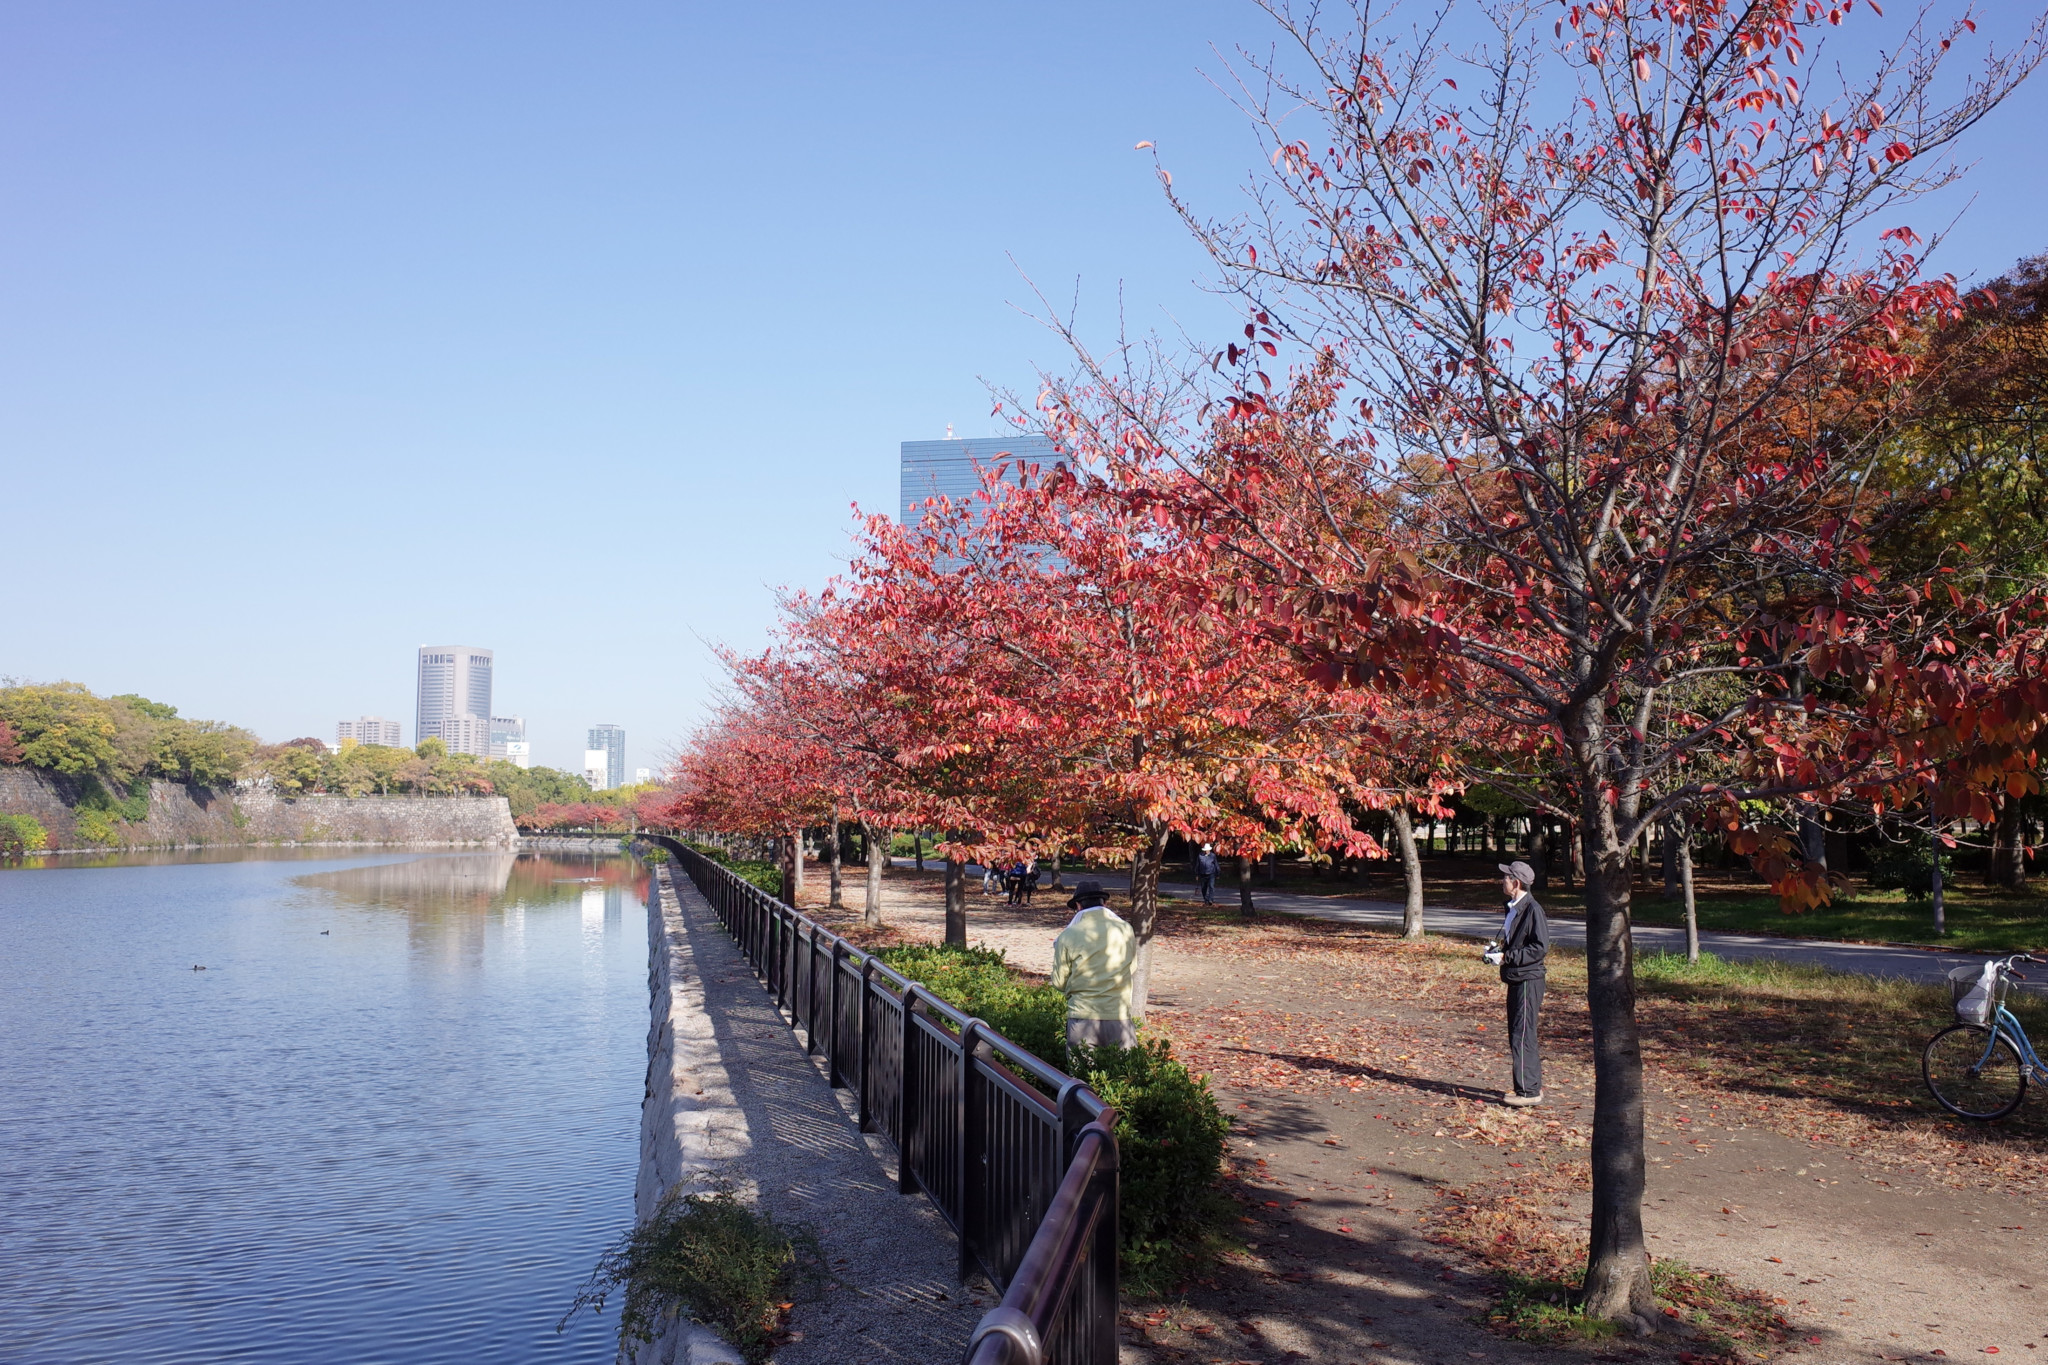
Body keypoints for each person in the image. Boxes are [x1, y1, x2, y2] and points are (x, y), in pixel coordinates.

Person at [1484, 860, 1550, 1107]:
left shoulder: (1533, 910)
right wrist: (1498, 951)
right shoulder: (1514, 907)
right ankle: (1526, 1088)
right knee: (1517, 1033)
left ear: (1517, 883)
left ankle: (1528, 1092)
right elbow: (1518, 942)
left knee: (1523, 1034)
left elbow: (1540, 948)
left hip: (1528, 980)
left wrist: (1506, 957)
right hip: (1517, 977)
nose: (1502, 880)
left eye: (1506, 877)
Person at [1049, 879, 1137, 1053]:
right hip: (1119, 1015)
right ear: (1104, 903)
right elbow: (1132, 967)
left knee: (1081, 1077)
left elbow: (1059, 982)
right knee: (1126, 1076)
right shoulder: (1125, 929)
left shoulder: (1068, 935)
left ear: (1078, 906)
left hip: (1082, 1016)